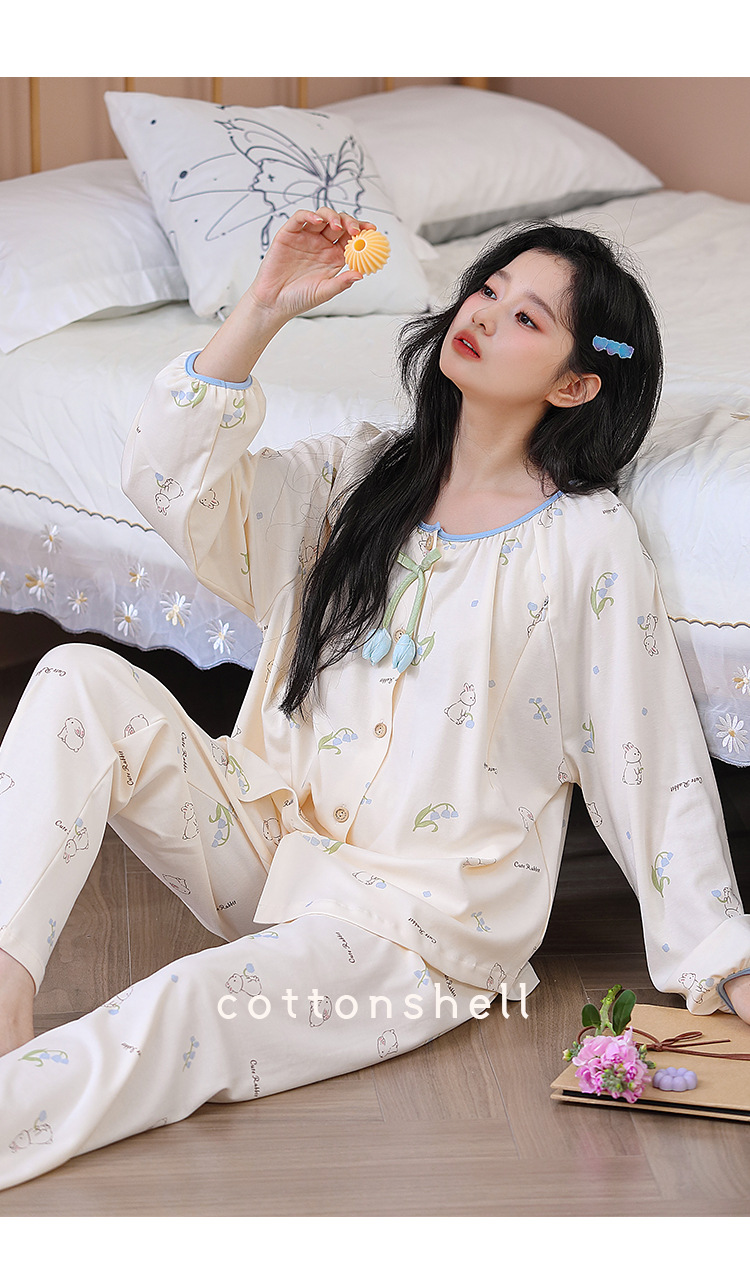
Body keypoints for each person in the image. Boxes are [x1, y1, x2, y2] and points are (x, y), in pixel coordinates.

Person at [0, 208, 748, 1190]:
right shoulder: (357, 474)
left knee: (187, 1009)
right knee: (75, 678)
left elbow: (647, 760)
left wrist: (724, 959)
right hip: (272, 848)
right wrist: (264, 307)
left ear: (575, 383)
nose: (484, 313)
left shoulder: (583, 543)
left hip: (411, 931)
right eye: (487, 289)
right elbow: (168, 479)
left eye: (527, 317)